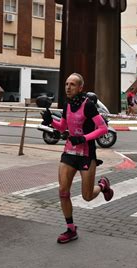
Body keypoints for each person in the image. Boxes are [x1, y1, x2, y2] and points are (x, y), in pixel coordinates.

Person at [41, 73, 113, 244]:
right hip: (69, 153)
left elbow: (103, 128)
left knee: (87, 196)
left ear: (80, 87)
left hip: (86, 154)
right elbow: (63, 127)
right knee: (63, 192)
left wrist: (84, 138)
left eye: (72, 84)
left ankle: (102, 186)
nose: (68, 87)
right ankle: (70, 229)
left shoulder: (88, 105)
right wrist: (51, 121)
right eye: (66, 84)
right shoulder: (67, 105)